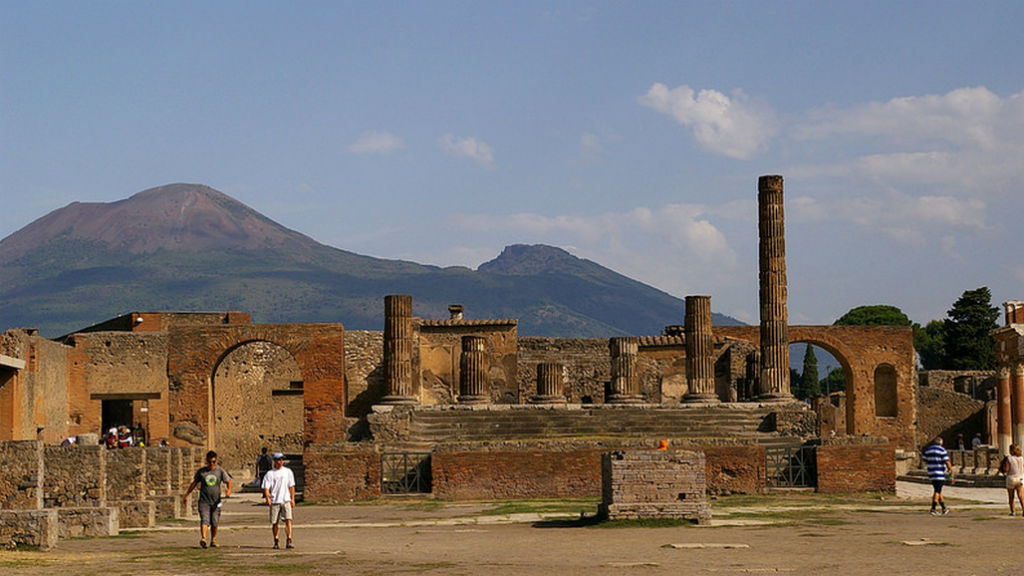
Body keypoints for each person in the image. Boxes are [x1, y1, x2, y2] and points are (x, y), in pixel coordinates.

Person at [182, 450, 232, 548]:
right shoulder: (202, 472)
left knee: (215, 521)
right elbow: (194, 483)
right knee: (204, 519)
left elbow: (228, 481)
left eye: (214, 462)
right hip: (204, 501)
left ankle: (213, 539)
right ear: (206, 461)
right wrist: (187, 494)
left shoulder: (220, 471)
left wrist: (228, 491)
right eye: (210, 462)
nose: (212, 464)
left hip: (216, 501)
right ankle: (203, 538)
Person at [261, 452, 296, 549]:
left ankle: (289, 539)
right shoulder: (270, 474)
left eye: (282, 459)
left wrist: (292, 499)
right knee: (275, 522)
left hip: (286, 499)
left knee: (288, 519)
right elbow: (266, 487)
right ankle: (276, 539)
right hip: (275, 500)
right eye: (279, 459)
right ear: (275, 461)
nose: (281, 461)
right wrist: (268, 498)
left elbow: (291, 486)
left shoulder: (288, 472)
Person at [922, 437, 954, 515]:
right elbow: (947, 461)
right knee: (937, 491)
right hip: (939, 472)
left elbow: (924, 459)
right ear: (940, 443)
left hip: (931, 472)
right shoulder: (942, 450)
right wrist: (951, 471)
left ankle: (944, 508)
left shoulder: (928, 450)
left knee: (938, 490)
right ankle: (933, 508)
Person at [1001, 444, 1024, 516]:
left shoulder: (1009, 459)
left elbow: (1007, 469)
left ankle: (1013, 511)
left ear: (1011, 450)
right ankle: (1023, 509)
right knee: (1021, 496)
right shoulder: (1021, 458)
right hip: (1020, 477)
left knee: (1011, 496)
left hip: (1011, 477)